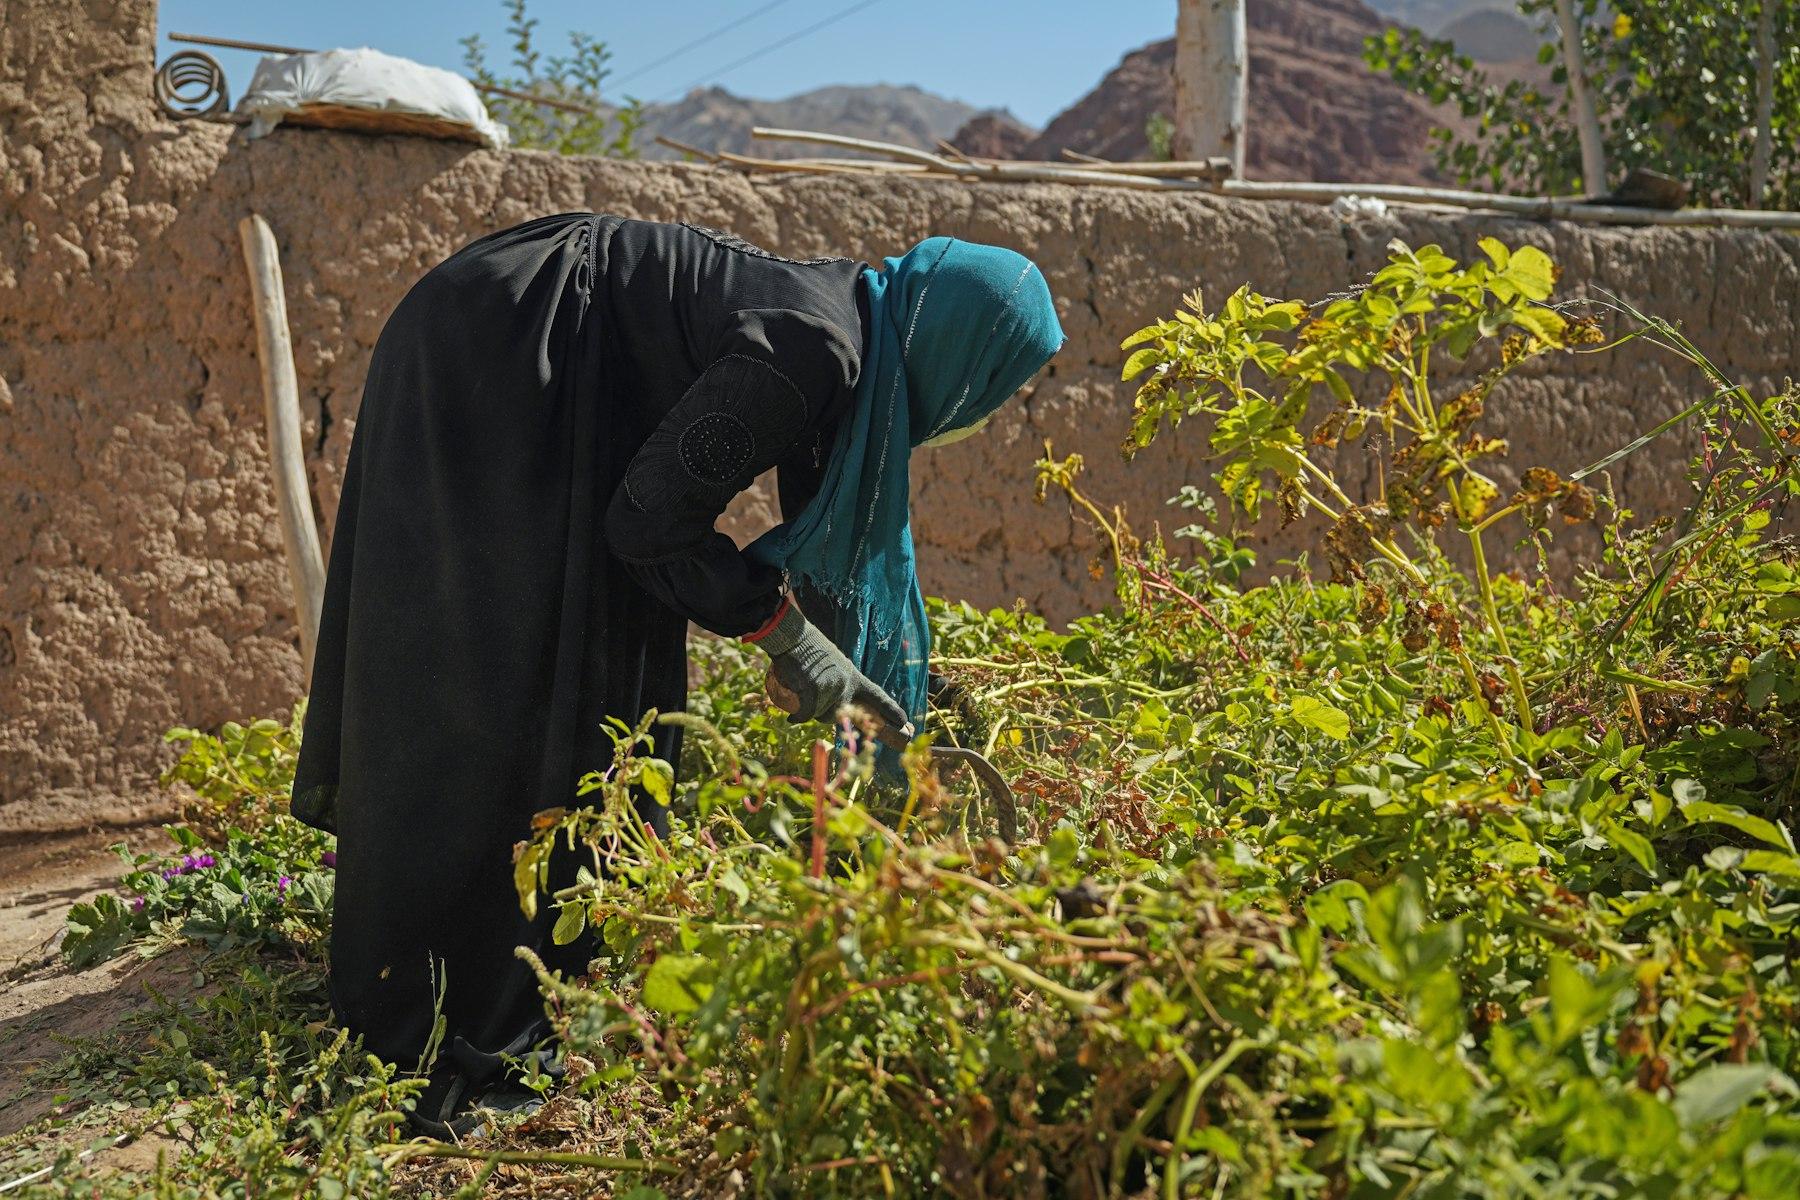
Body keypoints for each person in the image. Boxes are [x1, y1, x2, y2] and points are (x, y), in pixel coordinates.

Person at [287, 212, 1064, 1136]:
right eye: (985, 385)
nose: (972, 411)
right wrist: (784, 636)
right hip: (502, 351)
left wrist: (868, 665)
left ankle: (542, 974)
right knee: (492, 675)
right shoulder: (817, 349)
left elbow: (780, 549)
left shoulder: (854, 330)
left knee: (601, 667)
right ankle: (430, 1013)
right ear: (955, 346)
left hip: (551, 355)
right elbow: (650, 523)